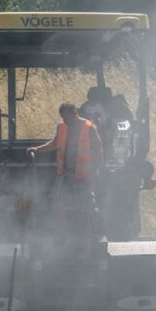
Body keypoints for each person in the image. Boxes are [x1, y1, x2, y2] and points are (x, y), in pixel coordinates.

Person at [28, 103, 102, 254]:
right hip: (65, 174)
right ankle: (59, 235)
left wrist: (95, 172)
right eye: (62, 117)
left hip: (83, 176)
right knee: (57, 203)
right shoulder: (62, 128)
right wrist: (37, 149)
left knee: (84, 210)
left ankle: (84, 241)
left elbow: (99, 150)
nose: (65, 120)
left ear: (75, 113)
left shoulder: (88, 128)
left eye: (67, 117)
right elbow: (54, 144)